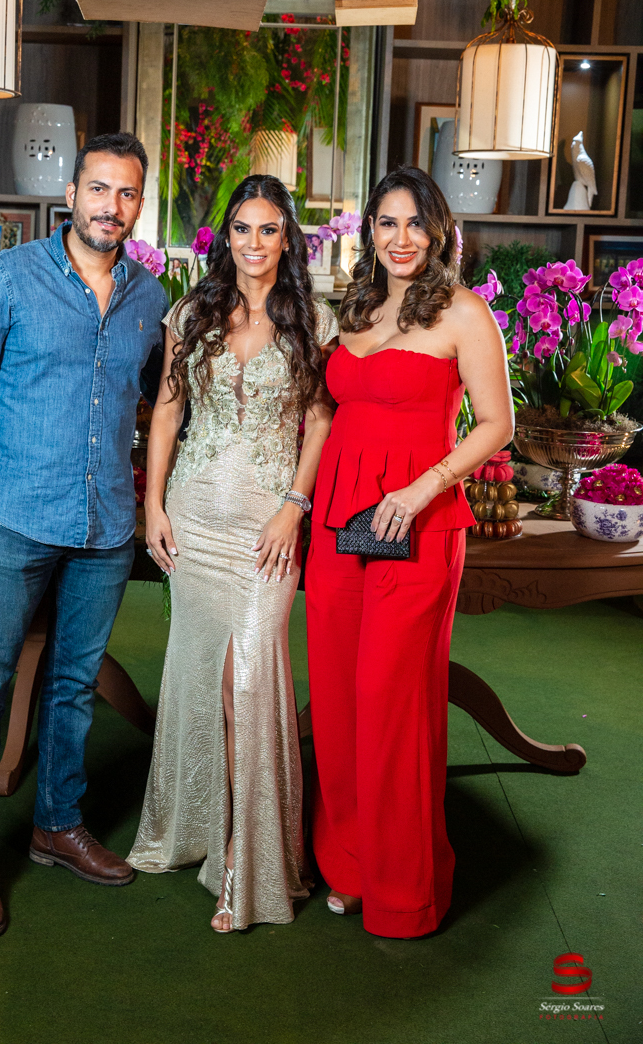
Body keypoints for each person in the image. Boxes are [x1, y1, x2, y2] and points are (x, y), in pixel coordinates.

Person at [0, 132, 169, 938]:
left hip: (105, 525)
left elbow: (167, 402)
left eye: (127, 193)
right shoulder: (8, 280)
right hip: (14, 519)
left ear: (140, 204)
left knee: (73, 686)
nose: (111, 206)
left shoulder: (150, 298)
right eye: (98, 188)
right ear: (70, 194)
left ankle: (58, 826)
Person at [305, 166, 514, 938]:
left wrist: (422, 488)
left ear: (439, 231)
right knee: (337, 699)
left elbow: (497, 424)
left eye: (416, 223)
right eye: (387, 223)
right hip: (339, 524)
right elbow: (327, 409)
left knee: (393, 703)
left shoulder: (464, 312)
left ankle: (404, 890)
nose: (401, 239)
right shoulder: (355, 306)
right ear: (370, 230)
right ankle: (349, 865)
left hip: (416, 525)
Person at [128, 175, 338, 932]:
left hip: (264, 530)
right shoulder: (192, 311)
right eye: (242, 229)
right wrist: (153, 505)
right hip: (193, 518)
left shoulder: (314, 318)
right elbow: (167, 412)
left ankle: (249, 868)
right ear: (228, 238)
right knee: (198, 680)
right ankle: (200, 836)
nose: (254, 243)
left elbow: (320, 421)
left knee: (247, 683)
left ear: (288, 239)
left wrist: (294, 506)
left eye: (268, 229)